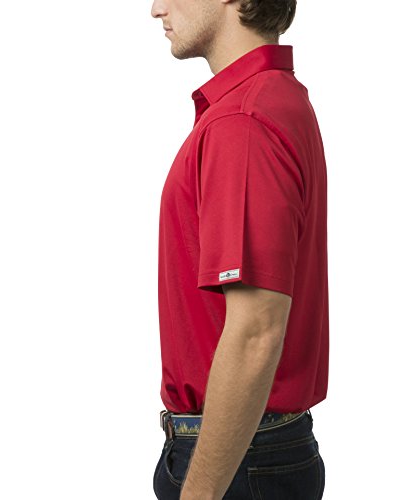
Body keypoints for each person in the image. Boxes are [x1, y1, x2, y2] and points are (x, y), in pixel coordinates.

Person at [150, 1, 329, 498]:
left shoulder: (243, 120)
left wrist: (200, 493)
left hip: (239, 460)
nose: (156, 8)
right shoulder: (272, 99)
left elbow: (256, 332)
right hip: (254, 452)